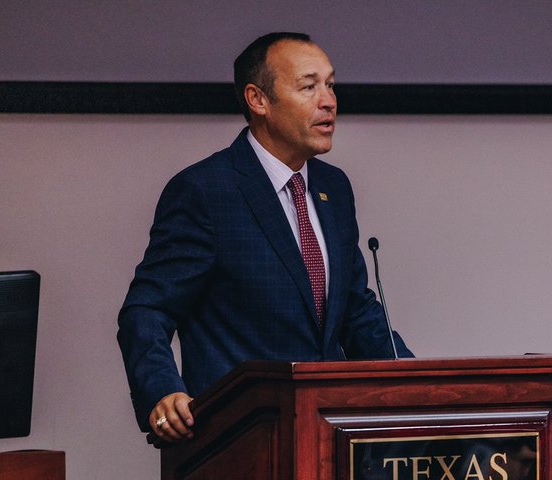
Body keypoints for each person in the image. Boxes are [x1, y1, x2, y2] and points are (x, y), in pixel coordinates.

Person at [117, 32, 411, 445]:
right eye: (309, 87)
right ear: (258, 100)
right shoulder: (207, 191)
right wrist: (162, 390)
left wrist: (416, 385)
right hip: (240, 438)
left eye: (330, 85)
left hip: (330, 433)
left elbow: (354, 311)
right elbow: (147, 309)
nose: (328, 101)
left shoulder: (334, 188)